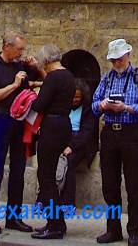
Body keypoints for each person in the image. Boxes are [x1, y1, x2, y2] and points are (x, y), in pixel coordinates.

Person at [92, 38, 138, 246]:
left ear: (128, 55)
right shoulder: (107, 78)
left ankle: (134, 231)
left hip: (131, 132)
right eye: (113, 60)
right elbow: (93, 105)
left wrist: (126, 108)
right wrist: (102, 105)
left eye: (119, 59)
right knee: (110, 184)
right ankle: (113, 228)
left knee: (133, 184)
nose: (116, 63)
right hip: (110, 132)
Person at [0, 32, 43, 235]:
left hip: (20, 121)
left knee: (18, 170)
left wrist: (36, 67)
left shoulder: (21, 66)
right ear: (6, 46)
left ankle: (13, 217)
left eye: (23, 49)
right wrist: (14, 85)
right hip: (0, 119)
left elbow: (45, 80)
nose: (21, 52)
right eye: (19, 49)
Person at [30, 44, 77, 239]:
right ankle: (57, 223)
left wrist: (31, 97)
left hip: (51, 127)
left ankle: (54, 224)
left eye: (44, 64)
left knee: (46, 176)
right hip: (64, 125)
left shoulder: (53, 77)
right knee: (49, 175)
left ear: (47, 61)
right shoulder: (68, 76)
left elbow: (39, 105)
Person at [60, 79, 98, 212]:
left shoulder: (88, 109)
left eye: (77, 97)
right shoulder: (63, 106)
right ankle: (44, 200)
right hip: (64, 140)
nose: (75, 100)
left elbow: (86, 133)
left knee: (68, 164)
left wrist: (71, 147)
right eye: (73, 97)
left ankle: (68, 203)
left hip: (80, 144)